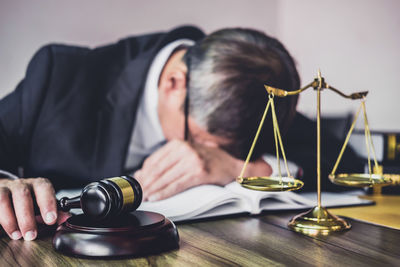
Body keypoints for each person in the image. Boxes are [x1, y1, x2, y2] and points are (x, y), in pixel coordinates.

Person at [0, 26, 363, 241]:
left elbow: (348, 163)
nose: (207, 151)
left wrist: (246, 167)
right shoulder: (58, 76)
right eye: (205, 140)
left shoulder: (244, 86)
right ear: (175, 84)